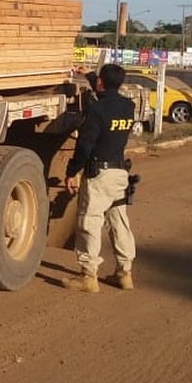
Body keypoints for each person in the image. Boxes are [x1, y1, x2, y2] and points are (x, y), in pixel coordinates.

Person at [63, 63, 137, 293]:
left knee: (90, 222)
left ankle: (88, 276)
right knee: (119, 223)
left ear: (102, 83)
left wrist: (71, 171)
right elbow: (108, 94)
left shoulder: (96, 110)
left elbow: (85, 146)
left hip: (99, 175)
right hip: (119, 175)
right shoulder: (128, 106)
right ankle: (125, 273)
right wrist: (90, 75)